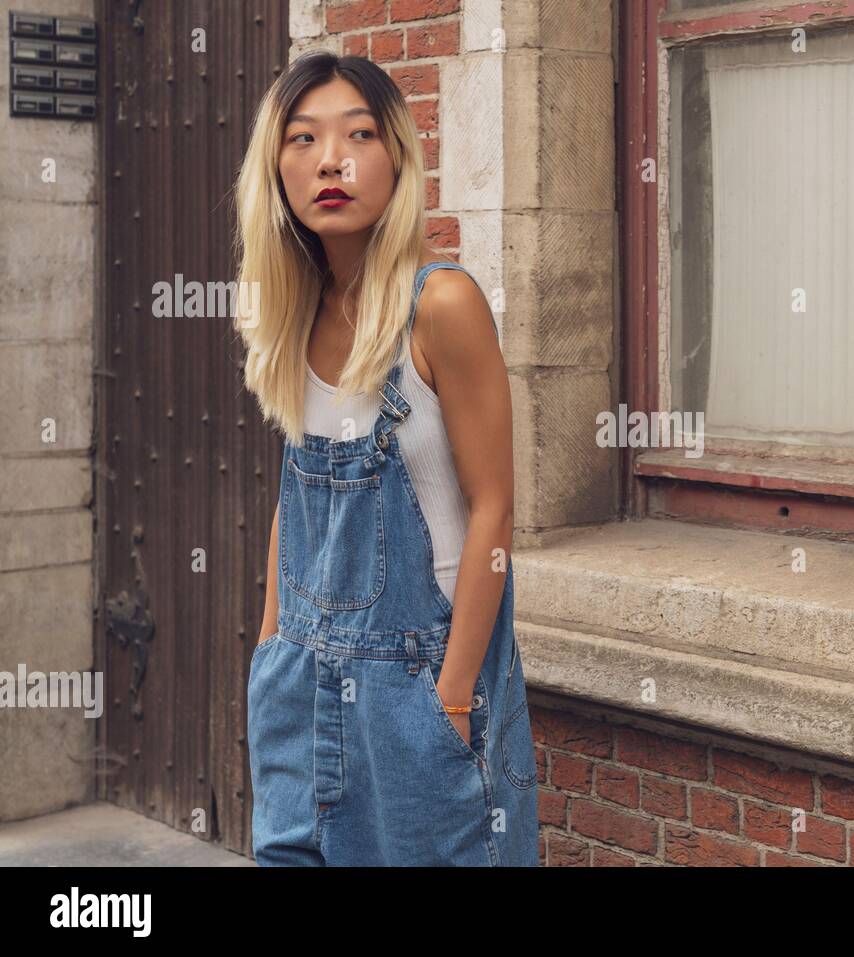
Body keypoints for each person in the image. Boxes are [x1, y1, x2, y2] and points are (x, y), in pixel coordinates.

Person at [232, 51, 538, 866]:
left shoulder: (442, 305)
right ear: (277, 168)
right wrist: (271, 653)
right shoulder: (293, 315)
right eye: (303, 139)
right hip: (300, 683)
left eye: (359, 133)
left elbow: (494, 511)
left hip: (416, 691)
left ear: (397, 156)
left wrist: (454, 695)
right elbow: (297, 504)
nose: (331, 159)